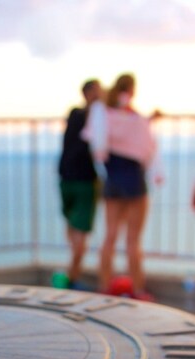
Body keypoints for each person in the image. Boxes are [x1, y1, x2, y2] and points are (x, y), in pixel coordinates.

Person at [83, 73, 162, 300]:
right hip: (135, 182)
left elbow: (97, 145)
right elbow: (146, 146)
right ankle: (138, 289)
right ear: (132, 90)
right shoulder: (135, 119)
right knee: (133, 240)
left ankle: (105, 285)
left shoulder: (103, 117)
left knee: (110, 237)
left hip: (113, 181)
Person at [57, 79, 103, 289]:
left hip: (66, 176)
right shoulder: (96, 116)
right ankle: (72, 279)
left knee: (72, 227)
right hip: (83, 179)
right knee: (80, 232)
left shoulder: (74, 114)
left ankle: (71, 273)